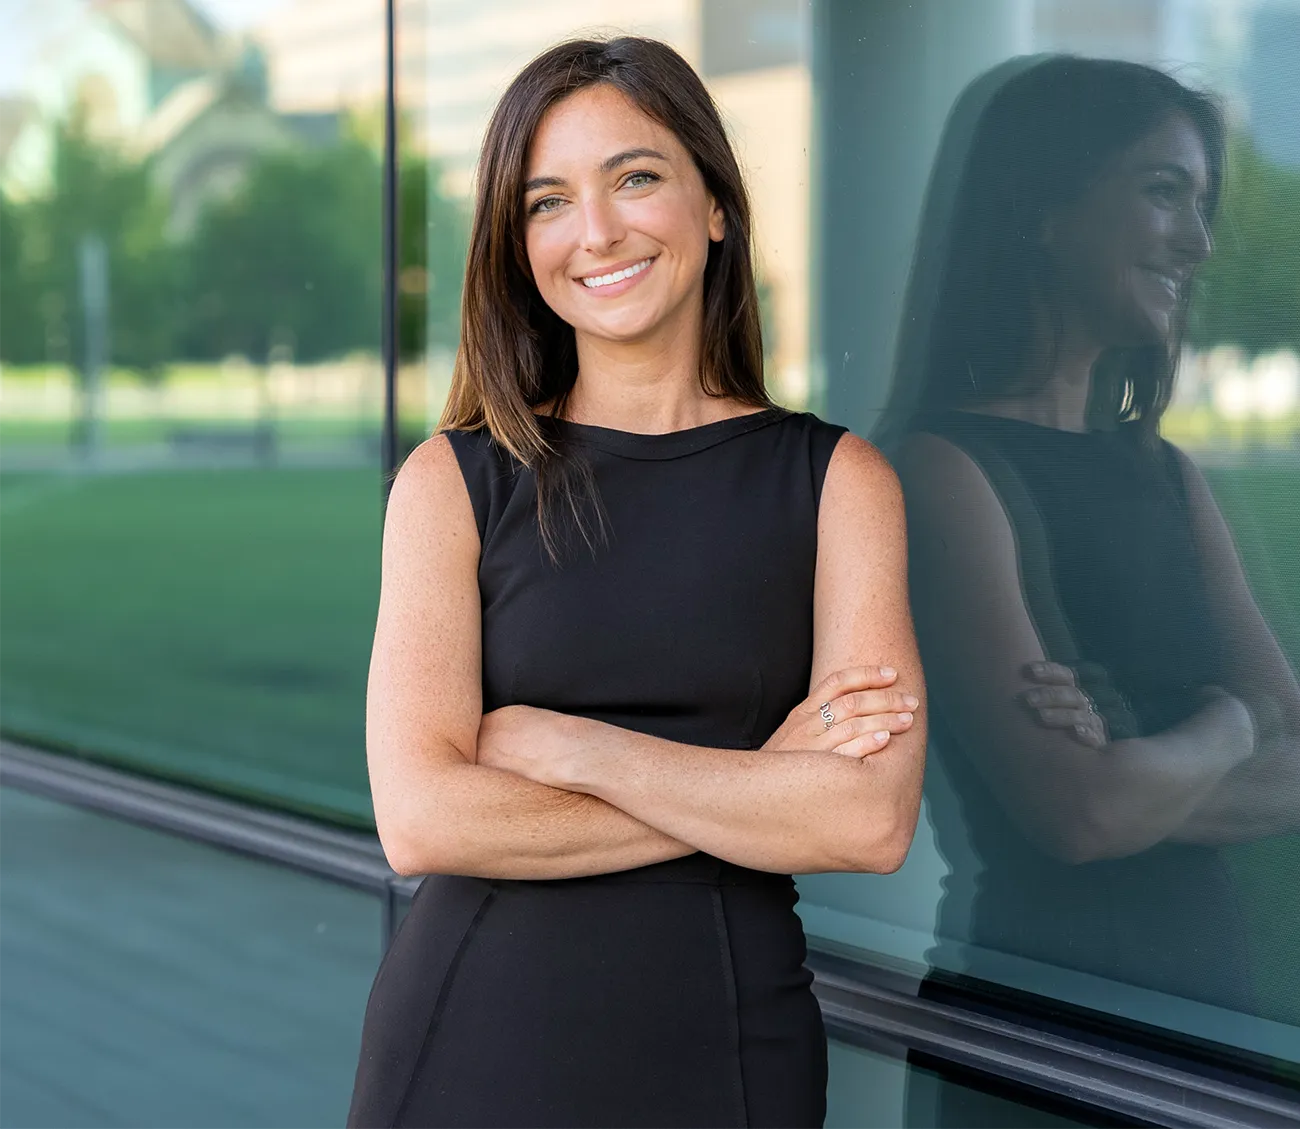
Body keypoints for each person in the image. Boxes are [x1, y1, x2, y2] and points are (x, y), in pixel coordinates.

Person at [346, 36, 926, 1129]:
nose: (597, 231)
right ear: (518, 248)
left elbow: (864, 821)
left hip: (730, 1042)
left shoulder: (838, 482)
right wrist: (760, 787)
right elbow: (422, 819)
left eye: (636, 178)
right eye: (546, 202)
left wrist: (577, 750)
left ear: (714, 204)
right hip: (476, 1037)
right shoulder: (454, 481)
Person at [880, 54, 1300, 1039]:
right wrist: (1232, 724)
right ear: (1042, 209)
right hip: (1042, 1025)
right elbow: (1076, 818)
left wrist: (1141, 772)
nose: (1196, 244)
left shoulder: (1165, 472)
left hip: (1207, 1007)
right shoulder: (936, 471)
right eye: (1163, 194)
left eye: (1201, 205)